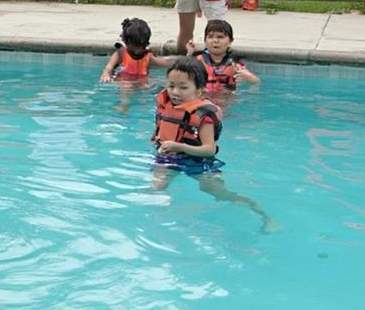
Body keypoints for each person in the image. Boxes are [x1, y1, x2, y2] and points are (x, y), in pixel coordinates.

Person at [151, 58, 275, 232]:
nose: (175, 92)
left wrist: (179, 147)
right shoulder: (167, 105)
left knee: (220, 193)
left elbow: (208, 149)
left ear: (200, 90)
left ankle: (263, 216)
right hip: (170, 157)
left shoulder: (204, 115)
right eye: (171, 86)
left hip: (198, 162)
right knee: (156, 188)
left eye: (183, 87)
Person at [99, 18, 172, 113]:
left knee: (158, 84)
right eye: (133, 49)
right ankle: (123, 106)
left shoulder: (148, 57)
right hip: (123, 81)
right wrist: (106, 74)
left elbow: (164, 63)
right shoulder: (121, 53)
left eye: (140, 49)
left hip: (141, 83)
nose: (137, 52)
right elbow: (109, 67)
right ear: (126, 42)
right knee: (126, 86)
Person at [185, 19, 260, 92]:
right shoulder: (198, 61)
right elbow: (183, 73)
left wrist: (248, 76)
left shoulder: (234, 64)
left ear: (230, 42)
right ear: (205, 41)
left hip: (226, 98)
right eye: (210, 37)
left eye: (220, 37)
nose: (215, 40)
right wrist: (190, 53)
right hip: (204, 97)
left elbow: (256, 82)